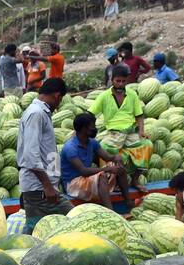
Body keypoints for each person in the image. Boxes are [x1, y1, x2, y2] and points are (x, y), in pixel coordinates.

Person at [17, 76, 72, 229]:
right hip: (39, 189)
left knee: (38, 230)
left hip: (43, 188)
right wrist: (47, 186)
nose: (59, 105)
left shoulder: (41, 112)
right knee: (74, 220)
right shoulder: (36, 114)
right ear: (57, 96)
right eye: (60, 100)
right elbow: (30, 155)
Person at [89, 66, 147, 206]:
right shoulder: (104, 96)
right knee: (103, 148)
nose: (120, 84)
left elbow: (139, 115)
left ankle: (135, 179)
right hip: (114, 133)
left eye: (123, 81)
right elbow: (90, 113)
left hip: (130, 132)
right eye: (117, 81)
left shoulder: (132, 94)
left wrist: (141, 131)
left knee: (147, 146)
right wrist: (85, 130)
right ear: (112, 79)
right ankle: (111, 181)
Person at [60, 112, 114, 205]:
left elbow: (107, 157)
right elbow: (83, 171)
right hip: (73, 184)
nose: (95, 129)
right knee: (102, 176)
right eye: (92, 126)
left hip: (86, 178)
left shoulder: (92, 142)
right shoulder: (70, 147)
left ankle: (129, 203)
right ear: (83, 128)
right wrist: (106, 169)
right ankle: (111, 211)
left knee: (116, 166)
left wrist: (115, 159)